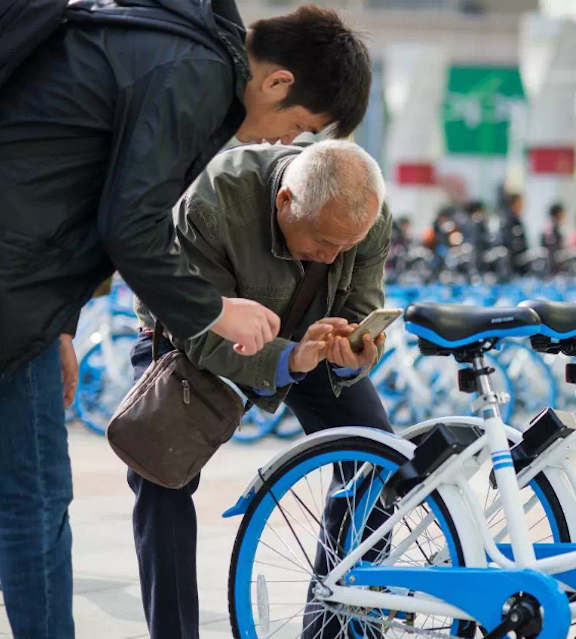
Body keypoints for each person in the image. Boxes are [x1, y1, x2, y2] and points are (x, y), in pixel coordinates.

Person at [0, 3, 373, 636]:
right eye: (297, 125)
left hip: (20, 296)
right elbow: (129, 227)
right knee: (34, 507)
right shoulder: (193, 74)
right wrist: (217, 311)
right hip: (8, 291)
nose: (284, 143)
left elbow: (67, 189)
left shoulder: (175, 48)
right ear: (277, 82)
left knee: (30, 504)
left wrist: (58, 323)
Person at [129, 140, 392, 639]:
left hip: (311, 342)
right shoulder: (210, 204)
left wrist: (354, 354)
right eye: (322, 241)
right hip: (194, 338)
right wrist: (287, 358)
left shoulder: (365, 217)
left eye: (346, 245)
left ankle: (339, 629)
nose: (333, 255)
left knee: (378, 458)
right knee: (160, 477)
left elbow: (362, 309)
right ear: (285, 200)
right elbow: (198, 330)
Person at [500, 193, 529, 274]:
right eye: (520, 202)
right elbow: (508, 242)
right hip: (513, 264)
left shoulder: (518, 219)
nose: (522, 205)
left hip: (521, 262)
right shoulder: (508, 221)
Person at [541, 202, 566, 274]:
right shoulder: (550, 229)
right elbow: (552, 249)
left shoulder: (556, 228)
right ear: (558, 214)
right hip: (552, 265)